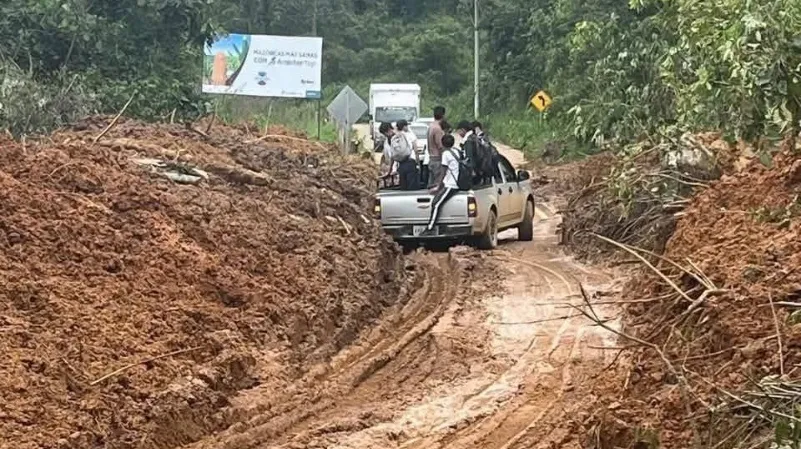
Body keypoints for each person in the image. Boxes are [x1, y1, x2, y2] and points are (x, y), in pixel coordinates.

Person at [426, 134, 461, 232]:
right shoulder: (456, 151)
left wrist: (438, 186)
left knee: (436, 204)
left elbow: (443, 171)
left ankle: (430, 228)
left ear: (442, 143)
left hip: (451, 184)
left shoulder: (446, 154)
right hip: (455, 182)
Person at [391, 121, 419, 190]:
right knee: (412, 185)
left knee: (403, 185)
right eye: (407, 126)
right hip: (410, 161)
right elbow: (416, 150)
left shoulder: (395, 137)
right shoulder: (411, 135)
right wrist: (417, 162)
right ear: (404, 127)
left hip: (401, 163)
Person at [426, 106, 447, 188]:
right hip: (438, 159)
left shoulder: (431, 126)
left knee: (432, 184)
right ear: (443, 115)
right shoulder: (438, 129)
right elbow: (440, 146)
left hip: (431, 158)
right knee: (438, 184)